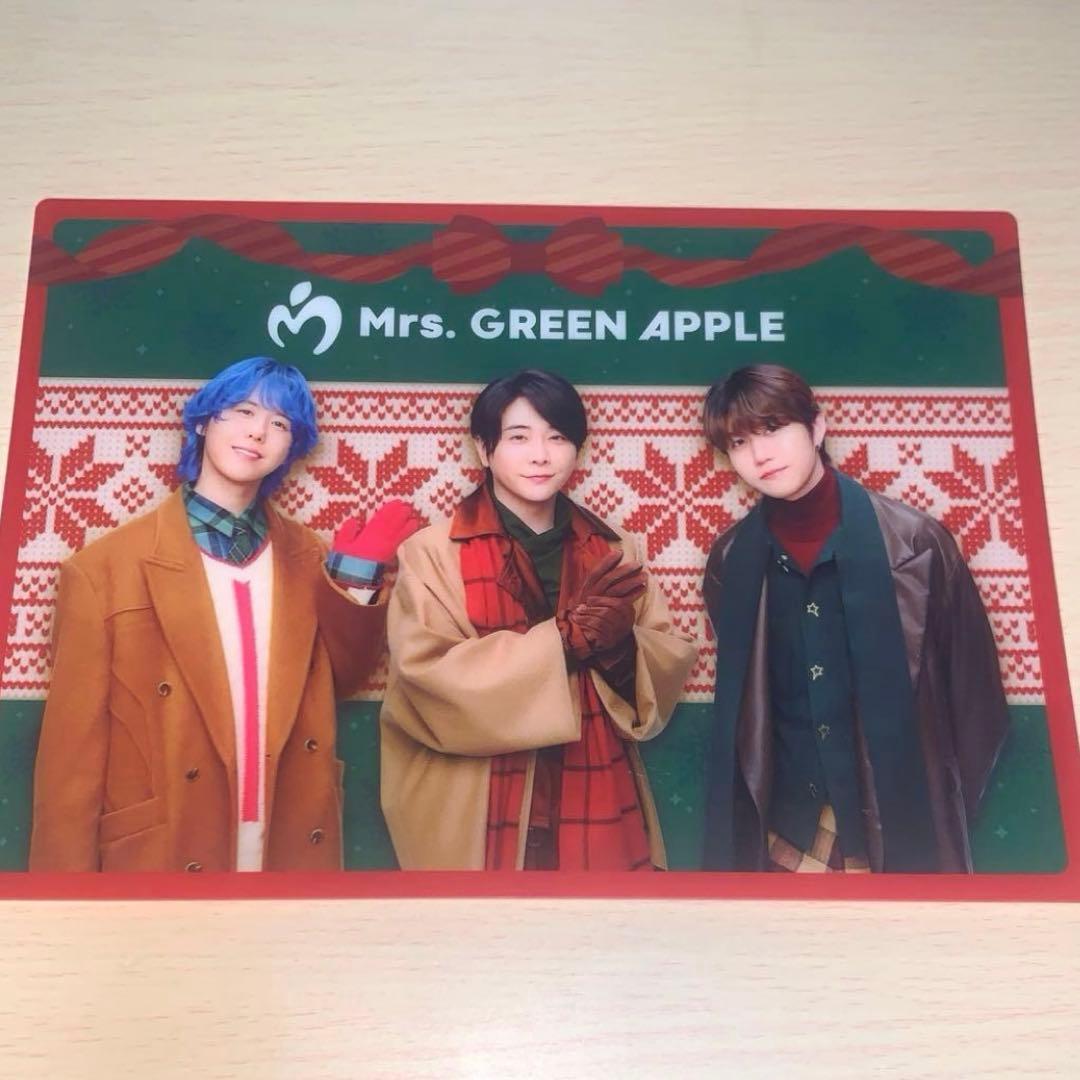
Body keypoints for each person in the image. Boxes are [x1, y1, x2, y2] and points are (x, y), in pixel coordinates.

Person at [29, 356, 422, 872]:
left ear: (291, 447)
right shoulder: (102, 570)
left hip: (288, 834)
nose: (258, 431)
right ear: (202, 422)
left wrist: (355, 577)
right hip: (166, 844)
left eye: (280, 423)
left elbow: (343, 681)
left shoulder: (309, 557)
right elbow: (70, 762)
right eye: (242, 411)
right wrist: (63, 899)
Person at [379, 369, 696, 870]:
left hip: (594, 786)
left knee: (600, 916)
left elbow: (662, 663)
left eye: (558, 438)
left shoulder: (614, 548)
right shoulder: (432, 551)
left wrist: (621, 650)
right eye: (518, 437)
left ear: (578, 450)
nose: (541, 455)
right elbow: (425, 678)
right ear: (484, 448)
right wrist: (563, 641)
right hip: (474, 799)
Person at [701, 363, 1009, 873]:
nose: (759, 455)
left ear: (817, 426)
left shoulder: (916, 544)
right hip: (782, 832)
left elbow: (978, 701)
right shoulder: (731, 560)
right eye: (738, 442)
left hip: (898, 828)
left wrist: (934, 805)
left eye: (773, 428)